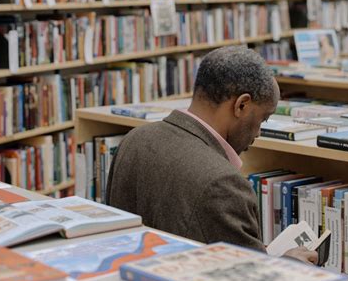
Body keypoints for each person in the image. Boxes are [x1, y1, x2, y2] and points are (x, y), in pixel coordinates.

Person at [106, 46, 318, 264]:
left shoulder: (134, 139)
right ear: (241, 105)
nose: (259, 132)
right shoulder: (223, 183)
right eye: (262, 119)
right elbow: (249, 279)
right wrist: (290, 266)